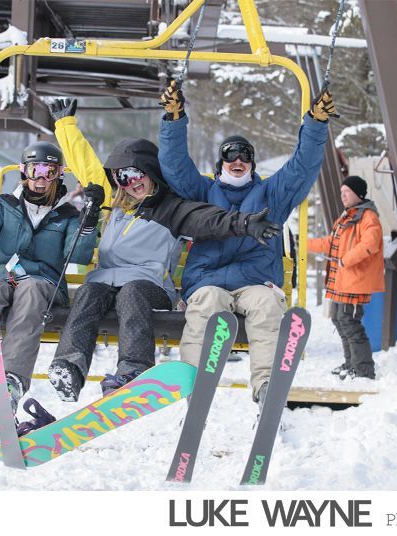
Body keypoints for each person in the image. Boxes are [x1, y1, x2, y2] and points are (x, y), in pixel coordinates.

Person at [42, 98, 282, 401]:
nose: (129, 184)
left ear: (149, 171)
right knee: (89, 292)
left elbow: (205, 218)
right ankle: (69, 366)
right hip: (106, 280)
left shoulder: (170, 207)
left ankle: (134, 368)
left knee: (132, 293)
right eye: (120, 178)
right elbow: (87, 166)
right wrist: (65, 127)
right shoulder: (115, 203)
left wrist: (245, 224)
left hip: (149, 284)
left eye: (134, 175)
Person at [157, 80, 334, 407]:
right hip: (208, 279)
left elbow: (301, 168)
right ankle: (194, 382)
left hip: (255, 280)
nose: (237, 161)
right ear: (220, 162)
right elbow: (175, 166)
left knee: (267, 305)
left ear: (251, 163)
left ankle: (267, 386)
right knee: (207, 304)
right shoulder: (202, 192)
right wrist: (173, 120)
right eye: (230, 155)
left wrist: (315, 125)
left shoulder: (272, 195)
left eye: (244, 156)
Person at [0, 141, 99, 428]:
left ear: (59, 174)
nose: (41, 178)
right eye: (36, 169)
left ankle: (10, 382)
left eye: (49, 171)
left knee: (31, 293)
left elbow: (80, 254)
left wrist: (89, 220)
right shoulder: (5, 205)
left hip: (43, 282)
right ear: (24, 171)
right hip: (4, 276)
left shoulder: (68, 214)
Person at [308, 176, 384, 380]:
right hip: (341, 280)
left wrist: (345, 260)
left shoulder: (368, 217)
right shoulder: (346, 217)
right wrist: (305, 244)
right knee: (339, 319)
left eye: (347, 192)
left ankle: (363, 369)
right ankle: (351, 363)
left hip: (355, 280)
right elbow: (329, 244)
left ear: (359, 194)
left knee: (350, 322)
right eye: (341, 192)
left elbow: (370, 244)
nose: (343, 196)